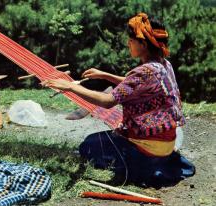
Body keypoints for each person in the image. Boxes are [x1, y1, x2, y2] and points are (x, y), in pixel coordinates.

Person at [42, 13, 195, 187]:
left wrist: (70, 86)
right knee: (100, 140)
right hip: (166, 144)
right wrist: (105, 75)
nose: (128, 43)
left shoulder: (144, 71)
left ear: (143, 43)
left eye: (131, 40)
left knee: (88, 146)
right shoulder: (163, 65)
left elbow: (108, 101)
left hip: (147, 148)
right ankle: (158, 160)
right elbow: (135, 85)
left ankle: (140, 164)